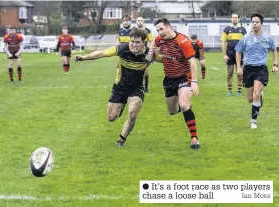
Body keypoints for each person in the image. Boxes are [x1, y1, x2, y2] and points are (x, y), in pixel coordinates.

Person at [74, 28, 161, 147]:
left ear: (144, 42)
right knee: (111, 117)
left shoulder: (149, 54)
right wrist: (84, 57)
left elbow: (167, 59)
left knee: (132, 113)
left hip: (136, 88)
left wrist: (165, 51)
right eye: (132, 42)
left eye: (138, 42)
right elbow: (101, 53)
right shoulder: (122, 49)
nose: (134, 45)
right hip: (119, 87)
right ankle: (122, 105)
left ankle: (121, 140)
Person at [146, 18, 201, 149]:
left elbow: (192, 62)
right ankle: (186, 104)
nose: (159, 32)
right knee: (172, 111)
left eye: (161, 29)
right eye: (157, 30)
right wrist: (150, 52)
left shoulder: (183, 41)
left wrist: (194, 82)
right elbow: (154, 42)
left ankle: (194, 138)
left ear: (169, 26)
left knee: (183, 105)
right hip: (169, 79)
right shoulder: (160, 39)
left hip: (183, 77)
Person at [235, 12, 278, 129]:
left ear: (261, 24)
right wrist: (239, 67)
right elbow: (238, 51)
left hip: (261, 69)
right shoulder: (245, 38)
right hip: (248, 69)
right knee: (250, 98)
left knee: (256, 94)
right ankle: (260, 95)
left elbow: (274, 50)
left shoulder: (267, 38)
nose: (254, 24)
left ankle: (253, 121)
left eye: (257, 22)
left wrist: (275, 64)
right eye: (253, 22)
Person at [221, 13, 247, 96]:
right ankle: (229, 91)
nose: (234, 19)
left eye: (236, 17)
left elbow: (246, 43)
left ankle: (239, 91)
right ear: (231, 19)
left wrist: (245, 56)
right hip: (230, 54)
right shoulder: (227, 29)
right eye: (233, 17)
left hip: (240, 54)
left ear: (238, 19)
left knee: (240, 73)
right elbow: (223, 43)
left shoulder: (243, 29)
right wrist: (224, 55)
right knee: (229, 73)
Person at [136, 17, 154, 92]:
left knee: (145, 71)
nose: (140, 22)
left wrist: (152, 51)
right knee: (135, 70)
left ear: (143, 22)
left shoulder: (147, 31)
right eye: (138, 21)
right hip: (136, 52)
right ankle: (138, 86)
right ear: (136, 22)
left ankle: (146, 87)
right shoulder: (134, 30)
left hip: (145, 53)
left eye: (141, 21)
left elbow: (152, 41)